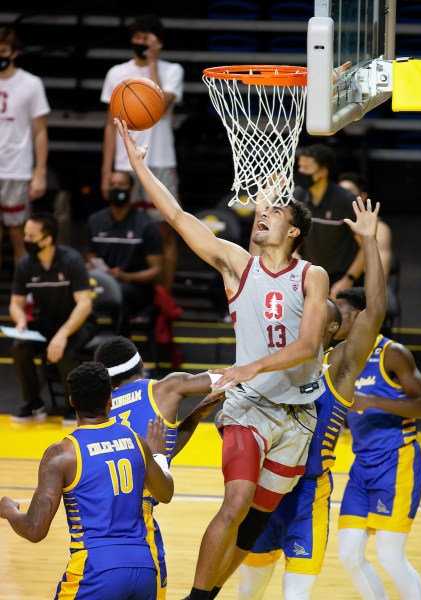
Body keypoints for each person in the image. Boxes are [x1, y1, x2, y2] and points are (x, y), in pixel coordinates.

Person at [114, 118, 330, 600]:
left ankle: (207, 596)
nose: (263, 213)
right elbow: (177, 215)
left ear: (293, 230)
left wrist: (251, 365)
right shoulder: (238, 264)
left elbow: (309, 346)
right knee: (234, 503)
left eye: (275, 210)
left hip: (298, 417)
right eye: (262, 207)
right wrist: (139, 167)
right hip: (248, 407)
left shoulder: (313, 276)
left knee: (255, 524)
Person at [232, 197, 386, 600]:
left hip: (307, 497)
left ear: (332, 327)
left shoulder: (340, 369)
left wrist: (368, 241)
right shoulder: (276, 356)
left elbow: (375, 313)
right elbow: (257, 274)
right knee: (247, 591)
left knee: (295, 595)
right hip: (266, 489)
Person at [0, 361, 174, 600]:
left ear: (71, 400)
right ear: (110, 399)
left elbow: (34, 529)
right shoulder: (137, 442)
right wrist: (158, 456)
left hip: (97, 570)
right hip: (144, 569)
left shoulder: (62, 455)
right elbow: (165, 494)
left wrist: (9, 510)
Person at [94, 335, 225, 600]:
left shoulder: (98, 409)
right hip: (138, 524)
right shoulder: (165, 388)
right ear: (141, 362)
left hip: (96, 525)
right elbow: (228, 378)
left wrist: (194, 418)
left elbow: (158, 453)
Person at [335, 289, 421, 600]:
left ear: (361, 315)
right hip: (361, 467)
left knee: (390, 556)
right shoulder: (341, 356)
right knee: (348, 554)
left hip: (396, 463)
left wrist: (371, 401)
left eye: (341, 311)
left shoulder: (392, 352)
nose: (334, 318)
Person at [101, 15, 184, 291]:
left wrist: (152, 62)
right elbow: (109, 125)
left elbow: (161, 105)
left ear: (158, 42)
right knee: (127, 231)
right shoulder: (116, 73)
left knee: (166, 232)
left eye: (148, 38)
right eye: (138, 37)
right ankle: (130, 295)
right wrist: (106, 171)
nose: (142, 43)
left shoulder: (172, 70)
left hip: (159, 160)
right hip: (124, 164)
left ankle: (165, 302)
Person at [9, 212, 95, 424]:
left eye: (31, 236)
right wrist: (20, 320)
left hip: (78, 321)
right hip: (47, 320)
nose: (25, 240)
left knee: (65, 350)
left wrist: (63, 334)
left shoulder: (71, 260)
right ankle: (34, 403)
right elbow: (15, 303)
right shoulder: (25, 265)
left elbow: (85, 303)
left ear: (47, 240)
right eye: (25, 235)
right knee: (19, 346)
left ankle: (72, 405)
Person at [86, 170, 163, 336]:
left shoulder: (146, 225)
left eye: (121, 185)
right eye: (112, 185)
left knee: (118, 293)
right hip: (103, 283)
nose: (116, 188)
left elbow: (156, 271)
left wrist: (125, 277)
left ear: (132, 190)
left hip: (136, 288)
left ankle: (121, 348)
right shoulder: (95, 221)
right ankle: (81, 347)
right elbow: (91, 257)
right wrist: (96, 269)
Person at [0, 27, 50, 265]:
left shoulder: (31, 83)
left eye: (3, 51)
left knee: (19, 234)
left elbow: (40, 131)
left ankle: (21, 295)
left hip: (16, 169)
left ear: (14, 53)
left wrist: (39, 172)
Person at [293, 144, 364, 298]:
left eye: (307, 168)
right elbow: (292, 234)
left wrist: (348, 279)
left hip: (341, 277)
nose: (301, 172)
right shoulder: (297, 197)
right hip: (309, 274)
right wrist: (293, 252)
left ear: (323, 171)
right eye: (300, 166)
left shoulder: (346, 201)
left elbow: (366, 246)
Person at [338, 171, 393, 278]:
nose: (343, 197)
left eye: (348, 192)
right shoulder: (331, 222)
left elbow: (381, 275)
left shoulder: (380, 228)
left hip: (361, 286)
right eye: (340, 192)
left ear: (363, 196)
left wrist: (348, 281)